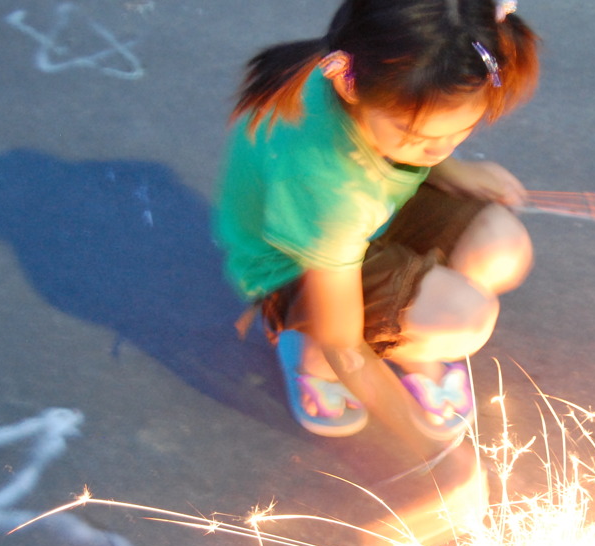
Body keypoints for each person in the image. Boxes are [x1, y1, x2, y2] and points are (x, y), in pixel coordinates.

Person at [214, 0, 538, 451]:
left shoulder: (381, 66)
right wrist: (436, 456)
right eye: (418, 136)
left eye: (458, 132)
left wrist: (450, 171)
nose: (437, 151)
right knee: (463, 319)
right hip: (295, 267)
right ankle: (310, 357)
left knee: (501, 248)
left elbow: (419, 138)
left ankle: (409, 331)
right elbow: (343, 342)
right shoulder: (327, 181)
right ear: (348, 85)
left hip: (365, 214)